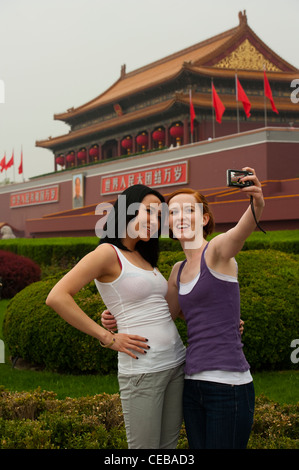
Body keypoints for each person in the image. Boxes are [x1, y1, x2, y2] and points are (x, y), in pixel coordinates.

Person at [102, 167, 264, 449]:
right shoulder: (176, 271)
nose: (179, 217)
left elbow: (239, 233)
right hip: (191, 383)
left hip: (229, 384)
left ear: (203, 218)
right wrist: (115, 315)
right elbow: (160, 313)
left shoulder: (216, 252)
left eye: (188, 210)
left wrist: (257, 203)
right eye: (172, 213)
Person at [46, 184, 186, 449]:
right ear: (127, 210)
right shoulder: (107, 253)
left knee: (169, 448)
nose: (155, 221)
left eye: (159, 216)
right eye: (149, 212)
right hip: (143, 369)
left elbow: (158, 307)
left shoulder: (144, 256)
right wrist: (108, 338)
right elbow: (57, 296)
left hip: (176, 363)